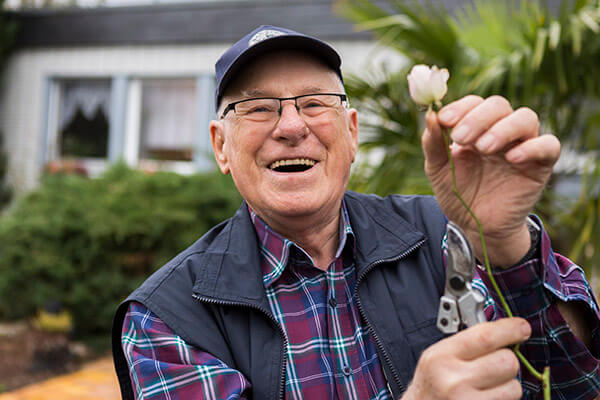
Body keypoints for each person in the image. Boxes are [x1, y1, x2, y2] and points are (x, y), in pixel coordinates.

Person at [112, 25, 600, 400]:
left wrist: (503, 244)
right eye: (259, 107)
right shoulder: (168, 317)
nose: (291, 126)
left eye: (314, 103)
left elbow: (576, 384)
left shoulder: (446, 235)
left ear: (351, 134)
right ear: (221, 146)